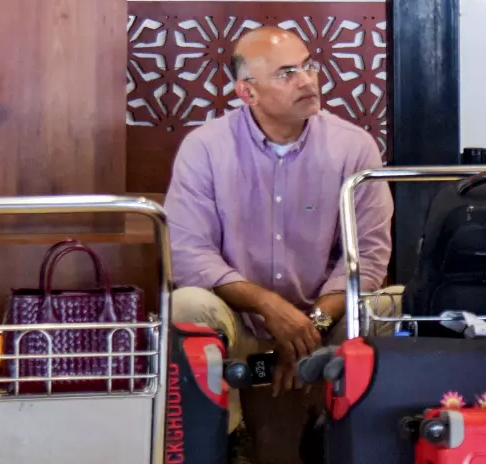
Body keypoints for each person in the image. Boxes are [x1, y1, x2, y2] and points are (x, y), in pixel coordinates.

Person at [166, 26, 395, 464]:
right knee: (187, 305)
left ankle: (370, 440)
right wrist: (270, 308)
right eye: (287, 73)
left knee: (396, 306)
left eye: (309, 65)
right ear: (247, 92)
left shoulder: (353, 146)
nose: (307, 80)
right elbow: (189, 254)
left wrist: (308, 327)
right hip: (239, 325)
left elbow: (367, 257)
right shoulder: (205, 147)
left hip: (325, 321)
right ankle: (214, 439)